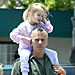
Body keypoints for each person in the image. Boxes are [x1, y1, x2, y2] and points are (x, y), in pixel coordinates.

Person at [10, 3, 57, 75]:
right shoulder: (23, 26)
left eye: (42, 16)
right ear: (30, 14)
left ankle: (56, 68)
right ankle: (25, 72)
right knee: (24, 57)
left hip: (37, 49)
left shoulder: (40, 25)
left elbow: (49, 29)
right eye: (38, 15)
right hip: (25, 48)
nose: (40, 18)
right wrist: (24, 38)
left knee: (53, 53)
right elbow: (12, 35)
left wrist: (45, 20)